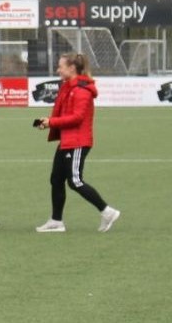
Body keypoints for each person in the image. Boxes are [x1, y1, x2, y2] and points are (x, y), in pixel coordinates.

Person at [35, 53, 121, 233]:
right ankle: (56, 221)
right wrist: (49, 122)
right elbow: (64, 114)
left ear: (72, 68)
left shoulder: (81, 90)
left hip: (78, 142)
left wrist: (51, 122)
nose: (58, 70)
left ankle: (107, 211)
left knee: (75, 181)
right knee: (56, 179)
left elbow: (77, 118)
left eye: (61, 66)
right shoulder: (69, 87)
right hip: (68, 140)